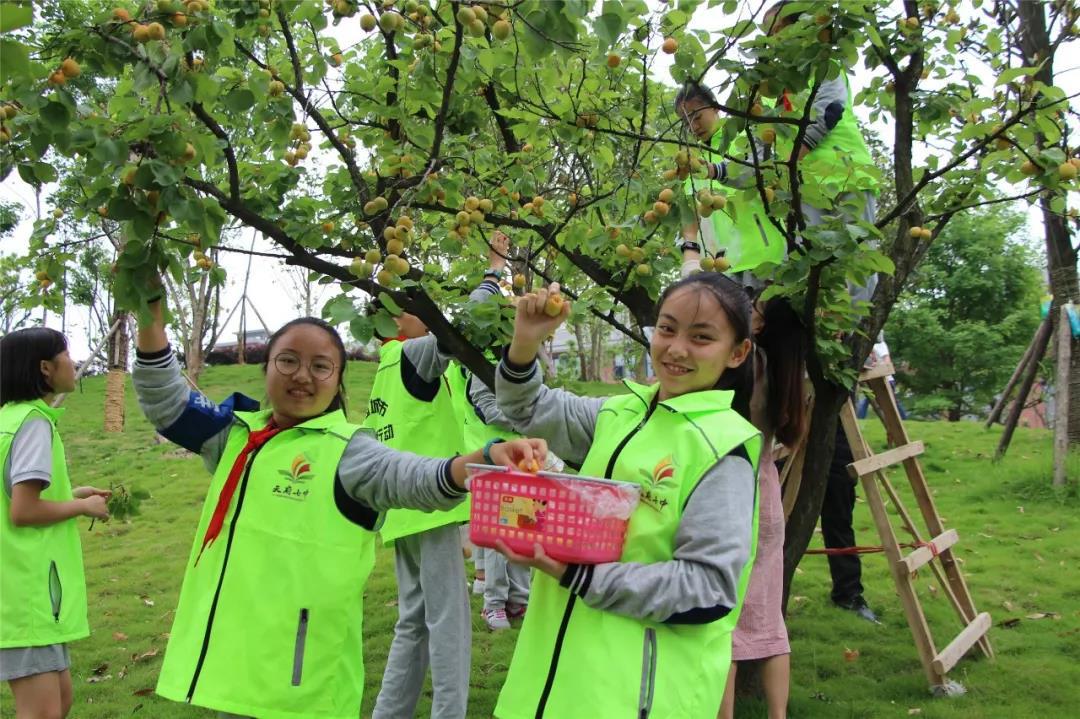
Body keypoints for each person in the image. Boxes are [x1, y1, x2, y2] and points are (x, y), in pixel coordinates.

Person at [131, 295, 545, 719]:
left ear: (338, 380)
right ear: (266, 367)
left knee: (425, 618)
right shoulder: (234, 437)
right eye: (288, 361)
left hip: (305, 684)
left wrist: (481, 459)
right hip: (236, 672)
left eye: (320, 366)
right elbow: (165, 401)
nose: (302, 377)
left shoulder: (350, 453)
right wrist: (151, 318)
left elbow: (413, 476)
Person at [491, 274, 762, 718]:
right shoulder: (618, 414)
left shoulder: (722, 449)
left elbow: (708, 588)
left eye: (702, 337)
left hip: (633, 697)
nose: (676, 348)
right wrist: (525, 343)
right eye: (668, 328)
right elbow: (527, 409)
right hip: (552, 686)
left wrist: (580, 576)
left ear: (737, 353)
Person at [368, 232, 512, 719]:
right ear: (392, 319)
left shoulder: (385, 367)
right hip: (429, 508)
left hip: (402, 511)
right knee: (448, 625)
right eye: (413, 305)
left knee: (414, 621)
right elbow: (463, 325)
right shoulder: (412, 356)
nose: (425, 311)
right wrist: (494, 270)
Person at [1, 328, 111, 719]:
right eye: (66, 353)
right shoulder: (33, 423)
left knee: (61, 701)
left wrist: (74, 494)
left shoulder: (9, 418)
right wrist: (83, 510)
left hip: (20, 588)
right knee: (43, 712)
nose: (74, 361)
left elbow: (11, 498)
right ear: (46, 368)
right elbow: (24, 511)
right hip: (25, 594)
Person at [721, 295, 808, 719]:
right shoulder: (795, 370)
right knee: (770, 622)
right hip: (767, 492)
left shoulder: (747, 364)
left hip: (730, 490)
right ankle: (778, 715)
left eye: (753, 311)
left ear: (759, 328)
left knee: (724, 626)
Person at [675, 82, 786, 285]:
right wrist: (690, 266)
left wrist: (715, 170)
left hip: (765, 259)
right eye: (686, 122)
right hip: (722, 272)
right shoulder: (693, 164)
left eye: (697, 116)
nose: (693, 126)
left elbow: (756, 172)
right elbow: (691, 225)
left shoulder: (744, 137)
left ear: (716, 107)